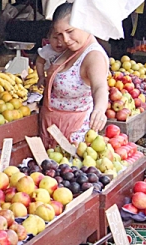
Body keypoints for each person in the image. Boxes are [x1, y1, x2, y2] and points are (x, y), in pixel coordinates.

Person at [40, 2, 109, 148]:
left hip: (74, 132)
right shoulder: (69, 48)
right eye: (59, 34)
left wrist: (100, 109)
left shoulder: (93, 55)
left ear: (84, 22)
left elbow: (100, 86)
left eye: (70, 31)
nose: (65, 39)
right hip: (51, 127)